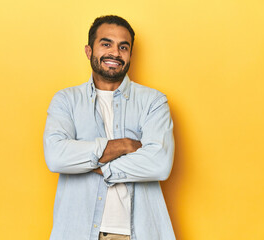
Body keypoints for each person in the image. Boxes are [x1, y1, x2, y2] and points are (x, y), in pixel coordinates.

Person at [44, 15, 175, 240]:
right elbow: (56, 157)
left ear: (130, 54)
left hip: (139, 233)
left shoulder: (153, 102)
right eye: (106, 44)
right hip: (77, 232)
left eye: (123, 47)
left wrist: (96, 165)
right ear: (88, 51)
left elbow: (160, 164)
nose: (115, 53)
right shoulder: (66, 100)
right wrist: (124, 145)